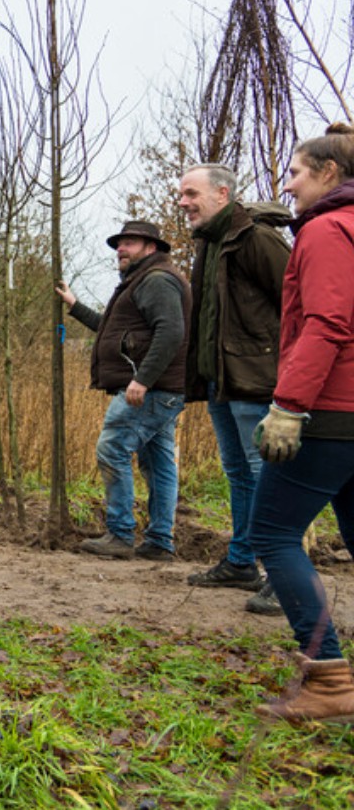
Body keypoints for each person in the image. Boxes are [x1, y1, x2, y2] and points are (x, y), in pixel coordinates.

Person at [249, 122, 354, 724]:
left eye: (294, 173)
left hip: (331, 411)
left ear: (328, 174)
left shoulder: (326, 230)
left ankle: (329, 681)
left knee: (273, 535)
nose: (287, 186)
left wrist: (289, 405)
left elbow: (327, 324)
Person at [177, 164, 290, 611]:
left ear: (222, 193)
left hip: (255, 380)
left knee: (265, 474)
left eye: (190, 193)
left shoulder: (257, 238)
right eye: (181, 195)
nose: (183, 202)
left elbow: (295, 303)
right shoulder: (209, 242)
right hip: (220, 381)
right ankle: (242, 561)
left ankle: (282, 574)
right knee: (240, 474)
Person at [56, 220, 191, 561]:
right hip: (163, 388)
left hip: (152, 389)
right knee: (158, 462)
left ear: (152, 248)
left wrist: (143, 379)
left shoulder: (156, 281)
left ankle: (119, 534)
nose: (121, 249)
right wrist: (75, 305)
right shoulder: (140, 282)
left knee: (112, 447)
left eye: (130, 242)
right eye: (120, 243)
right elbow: (112, 331)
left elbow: (171, 332)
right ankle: (159, 541)